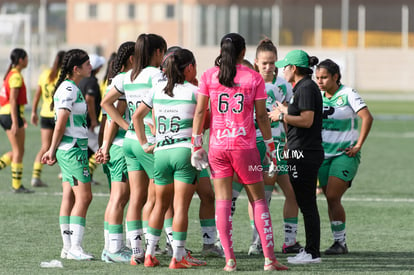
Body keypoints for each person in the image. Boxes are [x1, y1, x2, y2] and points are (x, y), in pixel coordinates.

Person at [191, 33, 288, 272]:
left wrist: (196, 144)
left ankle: (230, 260)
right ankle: (269, 259)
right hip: (245, 148)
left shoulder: (209, 75)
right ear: (244, 53)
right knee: (258, 201)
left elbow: (200, 112)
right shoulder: (253, 78)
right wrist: (271, 147)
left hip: (217, 148)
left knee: (223, 202)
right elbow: (263, 116)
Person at [133, 48, 207, 269]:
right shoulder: (195, 91)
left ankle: (149, 255)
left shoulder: (157, 89)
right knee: (180, 207)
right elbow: (205, 118)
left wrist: (146, 143)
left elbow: (137, 116)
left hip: (161, 152)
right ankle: (178, 257)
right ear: (189, 67)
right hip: (184, 151)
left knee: (159, 206)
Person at [101, 33, 167, 265]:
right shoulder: (157, 75)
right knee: (164, 195)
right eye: (163, 53)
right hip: (148, 140)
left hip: (129, 141)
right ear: (158, 52)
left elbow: (105, 103)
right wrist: (158, 132)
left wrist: (125, 124)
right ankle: (167, 248)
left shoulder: (126, 76)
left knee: (137, 198)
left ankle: (137, 251)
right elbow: (158, 104)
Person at [269, 49, 323, 264]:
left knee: (307, 204)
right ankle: (310, 250)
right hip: (300, 151)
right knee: (305, 202)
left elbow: (307, 120)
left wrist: (282, 115)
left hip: (305, 153)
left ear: (294, 68)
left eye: (285, 67)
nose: (283, 71)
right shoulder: (302, 87)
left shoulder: (307, 88)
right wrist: (285, 110)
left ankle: (312, 253)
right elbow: (299, 114)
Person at [248, 38, 302, 255]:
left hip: (279, 145)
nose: (269, 67)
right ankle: (257, 242)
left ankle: (289, 240)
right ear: (256, 63)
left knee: (292, 193)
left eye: (272, 63)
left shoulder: (284, 85)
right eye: (264, 63)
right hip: (259, 144)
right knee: (263, 195)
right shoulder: (251, 82)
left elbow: (287, 115)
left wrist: (289, 141)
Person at [315, 59, 373, 255]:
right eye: (317, 78)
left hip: (345, 154)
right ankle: (339, 243)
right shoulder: (317, 95)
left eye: (324, 77)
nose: (320, 81)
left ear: (335, 77)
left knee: (332, 195)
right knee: (330, 199)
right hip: (322, 155)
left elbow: (367, 117)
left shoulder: (348, 94)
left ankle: (340, 242)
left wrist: (358, 145)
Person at [41, 49, 94, 260]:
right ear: (76, 69)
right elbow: (61, 122)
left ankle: (68, 247)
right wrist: (51, 149)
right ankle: (75, 248)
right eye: (87, 64)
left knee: (70, 195)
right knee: (85, 196)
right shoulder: (69, 89)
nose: (90, 67)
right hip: (72, 149)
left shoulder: (71, 87)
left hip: (73, 147)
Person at [96, 42, 135, 263]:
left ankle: (111, 247)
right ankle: (113, 248)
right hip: (119, 147)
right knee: (119, 198)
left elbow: (106, 119)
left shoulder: (115, 80)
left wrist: (103, 146)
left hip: (114, 146)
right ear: (131, 58)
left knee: (117, 198)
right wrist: (106, 147)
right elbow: (113, 119)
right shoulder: (123, 81)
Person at [30, 50, 66, 187]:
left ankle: (35, 176)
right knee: (64, 145)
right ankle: (65, 174)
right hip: (58, 115)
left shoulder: (45, 74)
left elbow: (37, 94)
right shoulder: (64, 77)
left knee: (45, 146)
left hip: (45, 114)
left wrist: (34, 111)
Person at [0, 48, 33, 193]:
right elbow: (12, 101)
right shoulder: (16, 76)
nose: (28, 60)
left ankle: (17, 185)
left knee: (17, 151)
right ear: (21, 60)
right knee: (18, 151)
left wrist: (20, 117)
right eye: (26, 58)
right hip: (9, 115)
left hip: (7, 114)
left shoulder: (12, 74)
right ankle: (17, 186)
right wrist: (15, 121)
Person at [79, 53, 106, 185]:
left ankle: (85, 174)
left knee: (89, 150)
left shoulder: (83, 80)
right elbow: (89, 100)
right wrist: (94, 120)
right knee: (101, 149)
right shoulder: (91, 82)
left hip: (82, 122)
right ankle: (85, 174)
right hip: (89, 123)